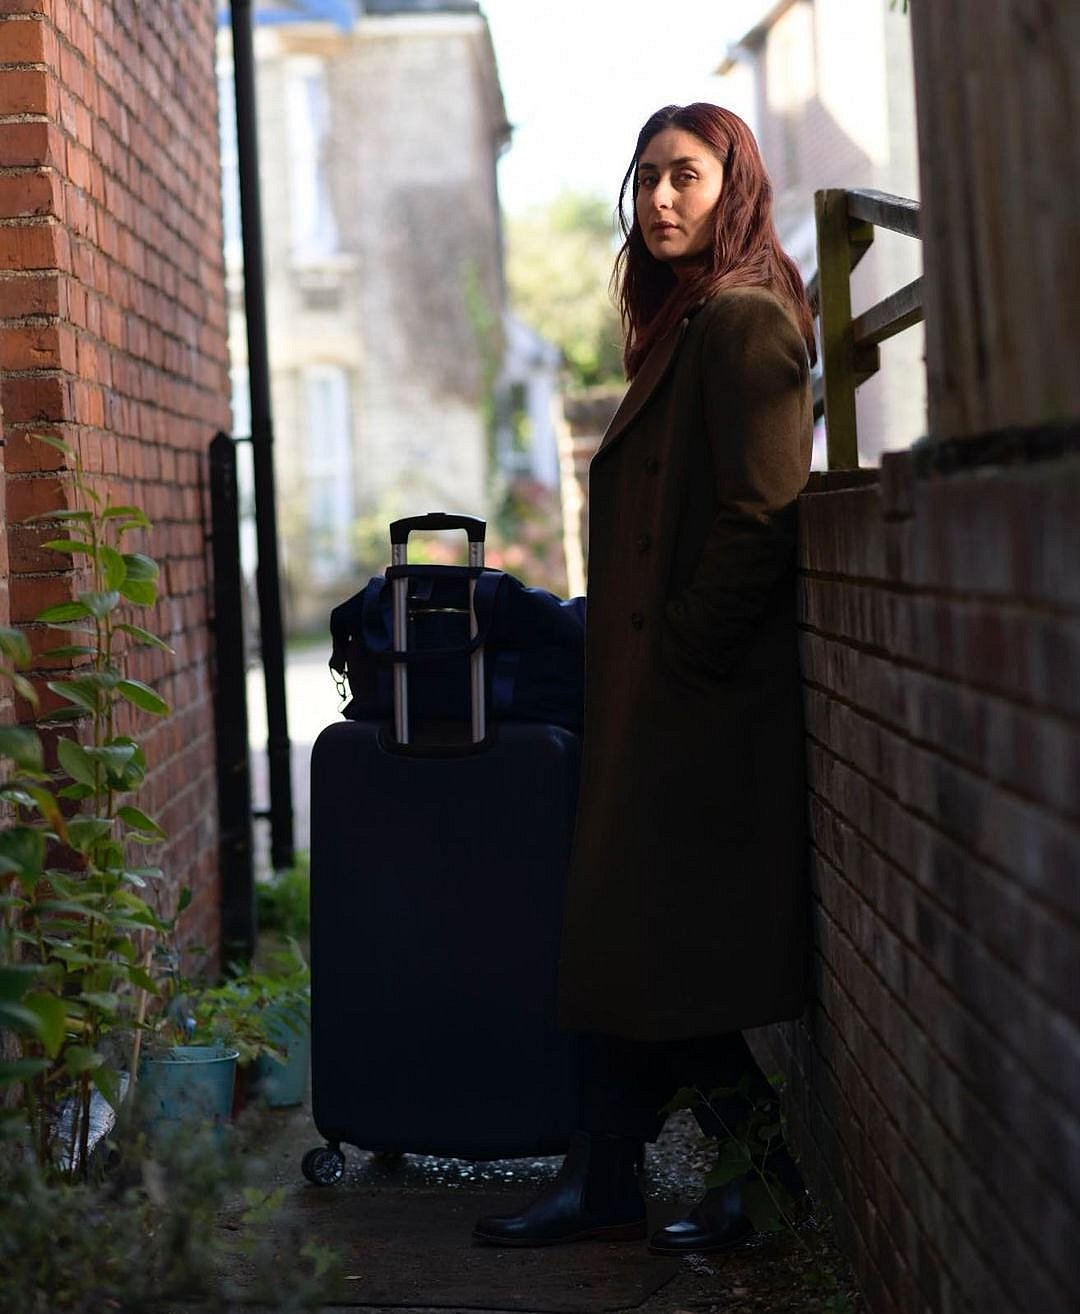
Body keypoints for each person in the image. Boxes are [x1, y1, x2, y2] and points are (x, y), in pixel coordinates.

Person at [473, 103, 815, 1254]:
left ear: (734, 189)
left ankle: (754, 1167)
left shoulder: (748, 323)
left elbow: (762, 517)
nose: (661, 200)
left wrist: (678, 653)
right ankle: (611, 1172)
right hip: (658, 703)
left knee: (648, 955)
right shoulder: (688, 322)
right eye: (648, 178)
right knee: (624, 949)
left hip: (698, 708)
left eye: (688, 178)